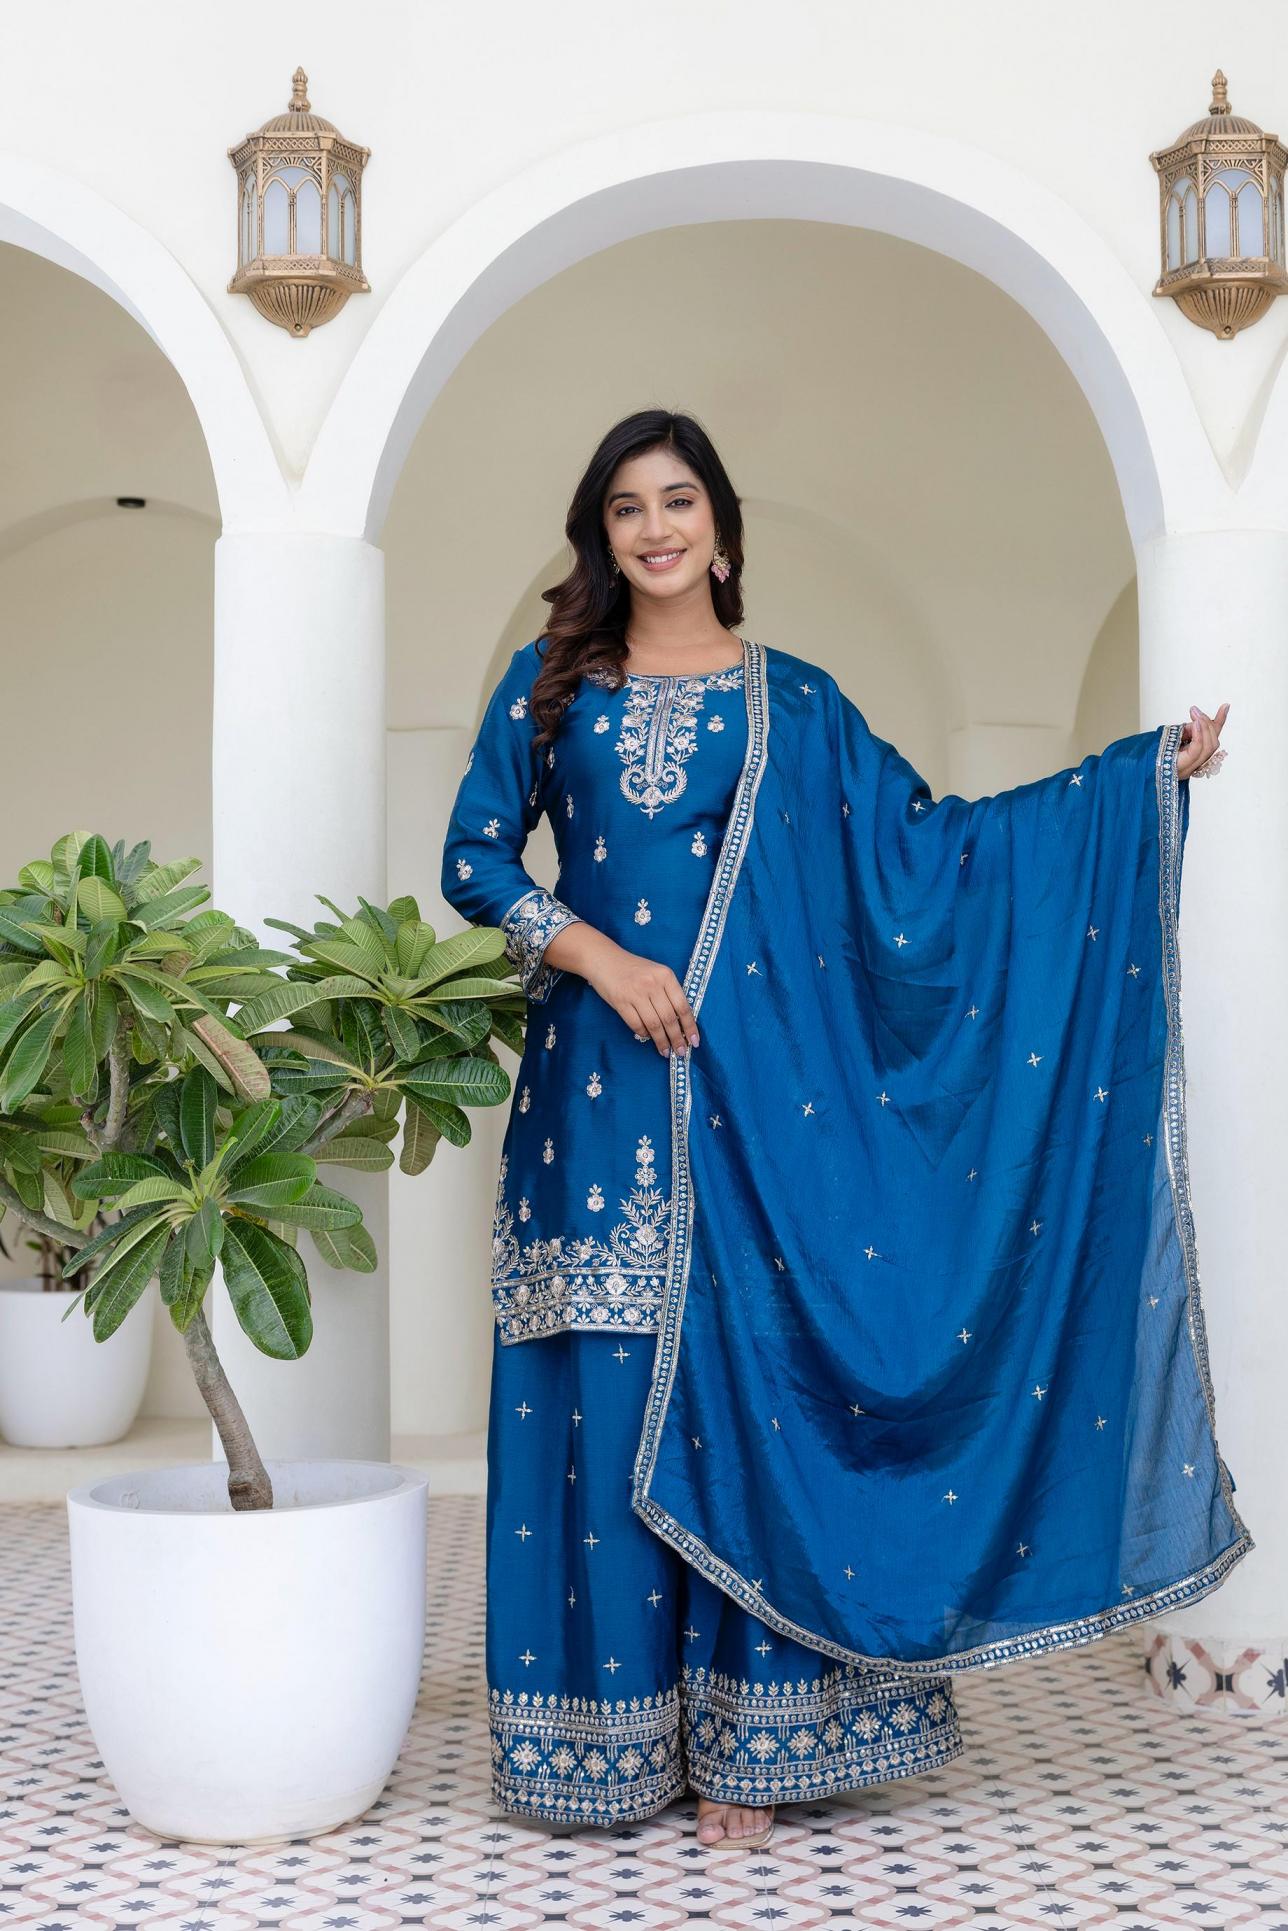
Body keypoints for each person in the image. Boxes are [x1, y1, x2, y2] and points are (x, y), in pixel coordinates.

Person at [439, 408, 1237, 1851]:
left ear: (723, 531)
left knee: (751, 1399)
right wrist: (600, 958)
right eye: (627, 507)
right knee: (607, 1393)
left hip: (764, 1114)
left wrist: (1138, 781)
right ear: (601, 535)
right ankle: (606, 1749)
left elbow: (938, 852)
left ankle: (755, 1746)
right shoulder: (551, 687)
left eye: (679, 501)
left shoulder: (793, 705)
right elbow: (475, 859)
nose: (655, 527)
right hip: (595, 1096)